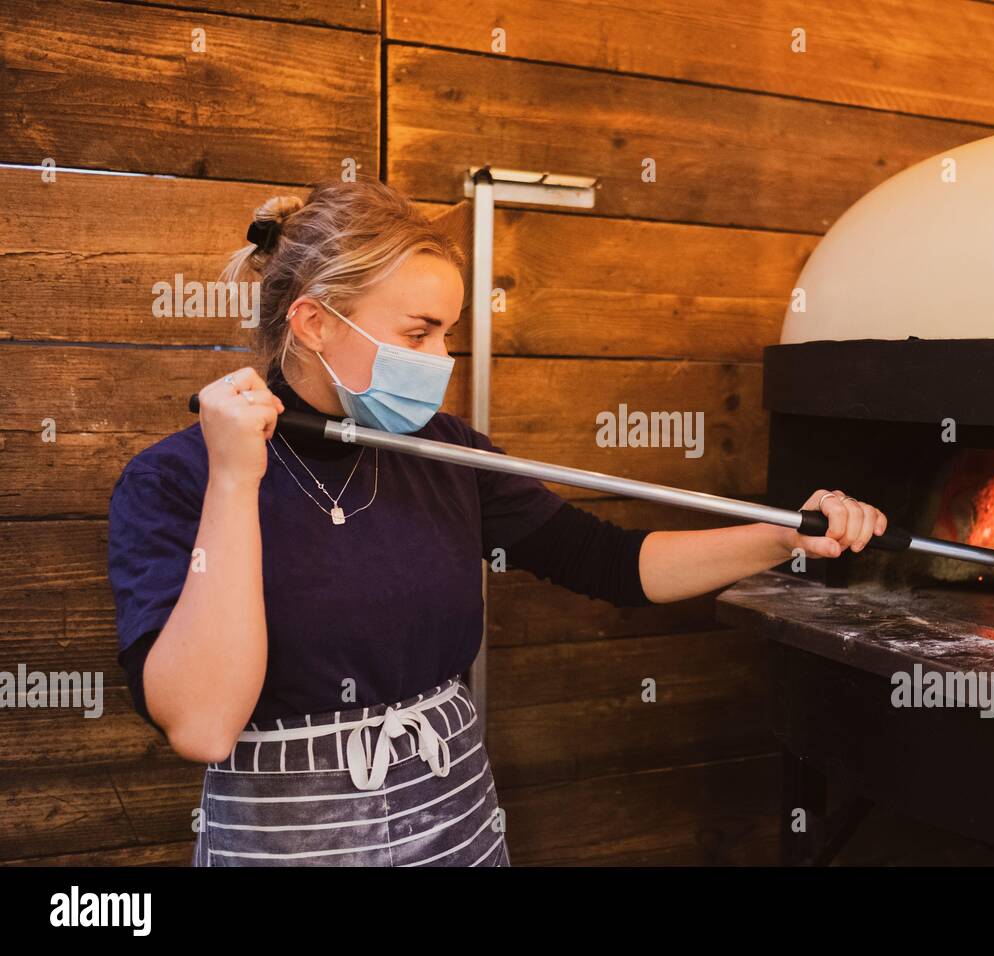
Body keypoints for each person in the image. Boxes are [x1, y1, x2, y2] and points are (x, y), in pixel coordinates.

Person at [106, 176, 888, 867]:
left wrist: (784, 536)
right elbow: (205, 725)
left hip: (454, 819)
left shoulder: (446, 453)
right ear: (313, 323)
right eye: (419, 333)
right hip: (285, 838)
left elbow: (612, 562)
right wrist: (237, 479)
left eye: (447, 331)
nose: (441, 359)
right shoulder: (173, 480)